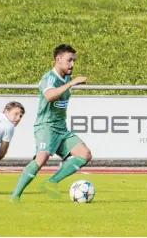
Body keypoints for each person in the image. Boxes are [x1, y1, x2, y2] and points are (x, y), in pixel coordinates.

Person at [10, 44, 92, 202]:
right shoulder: (49, 78)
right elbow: (49, 96)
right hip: (46, 126)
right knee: (41, 158)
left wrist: (70, 81)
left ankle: (51, 182)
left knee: (85, 154)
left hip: (61, 129)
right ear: (58, 59)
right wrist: (71, 83)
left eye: (74, 61)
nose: (72, 64)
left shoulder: (66, 77)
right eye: (69, 60)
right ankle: (15, 196)